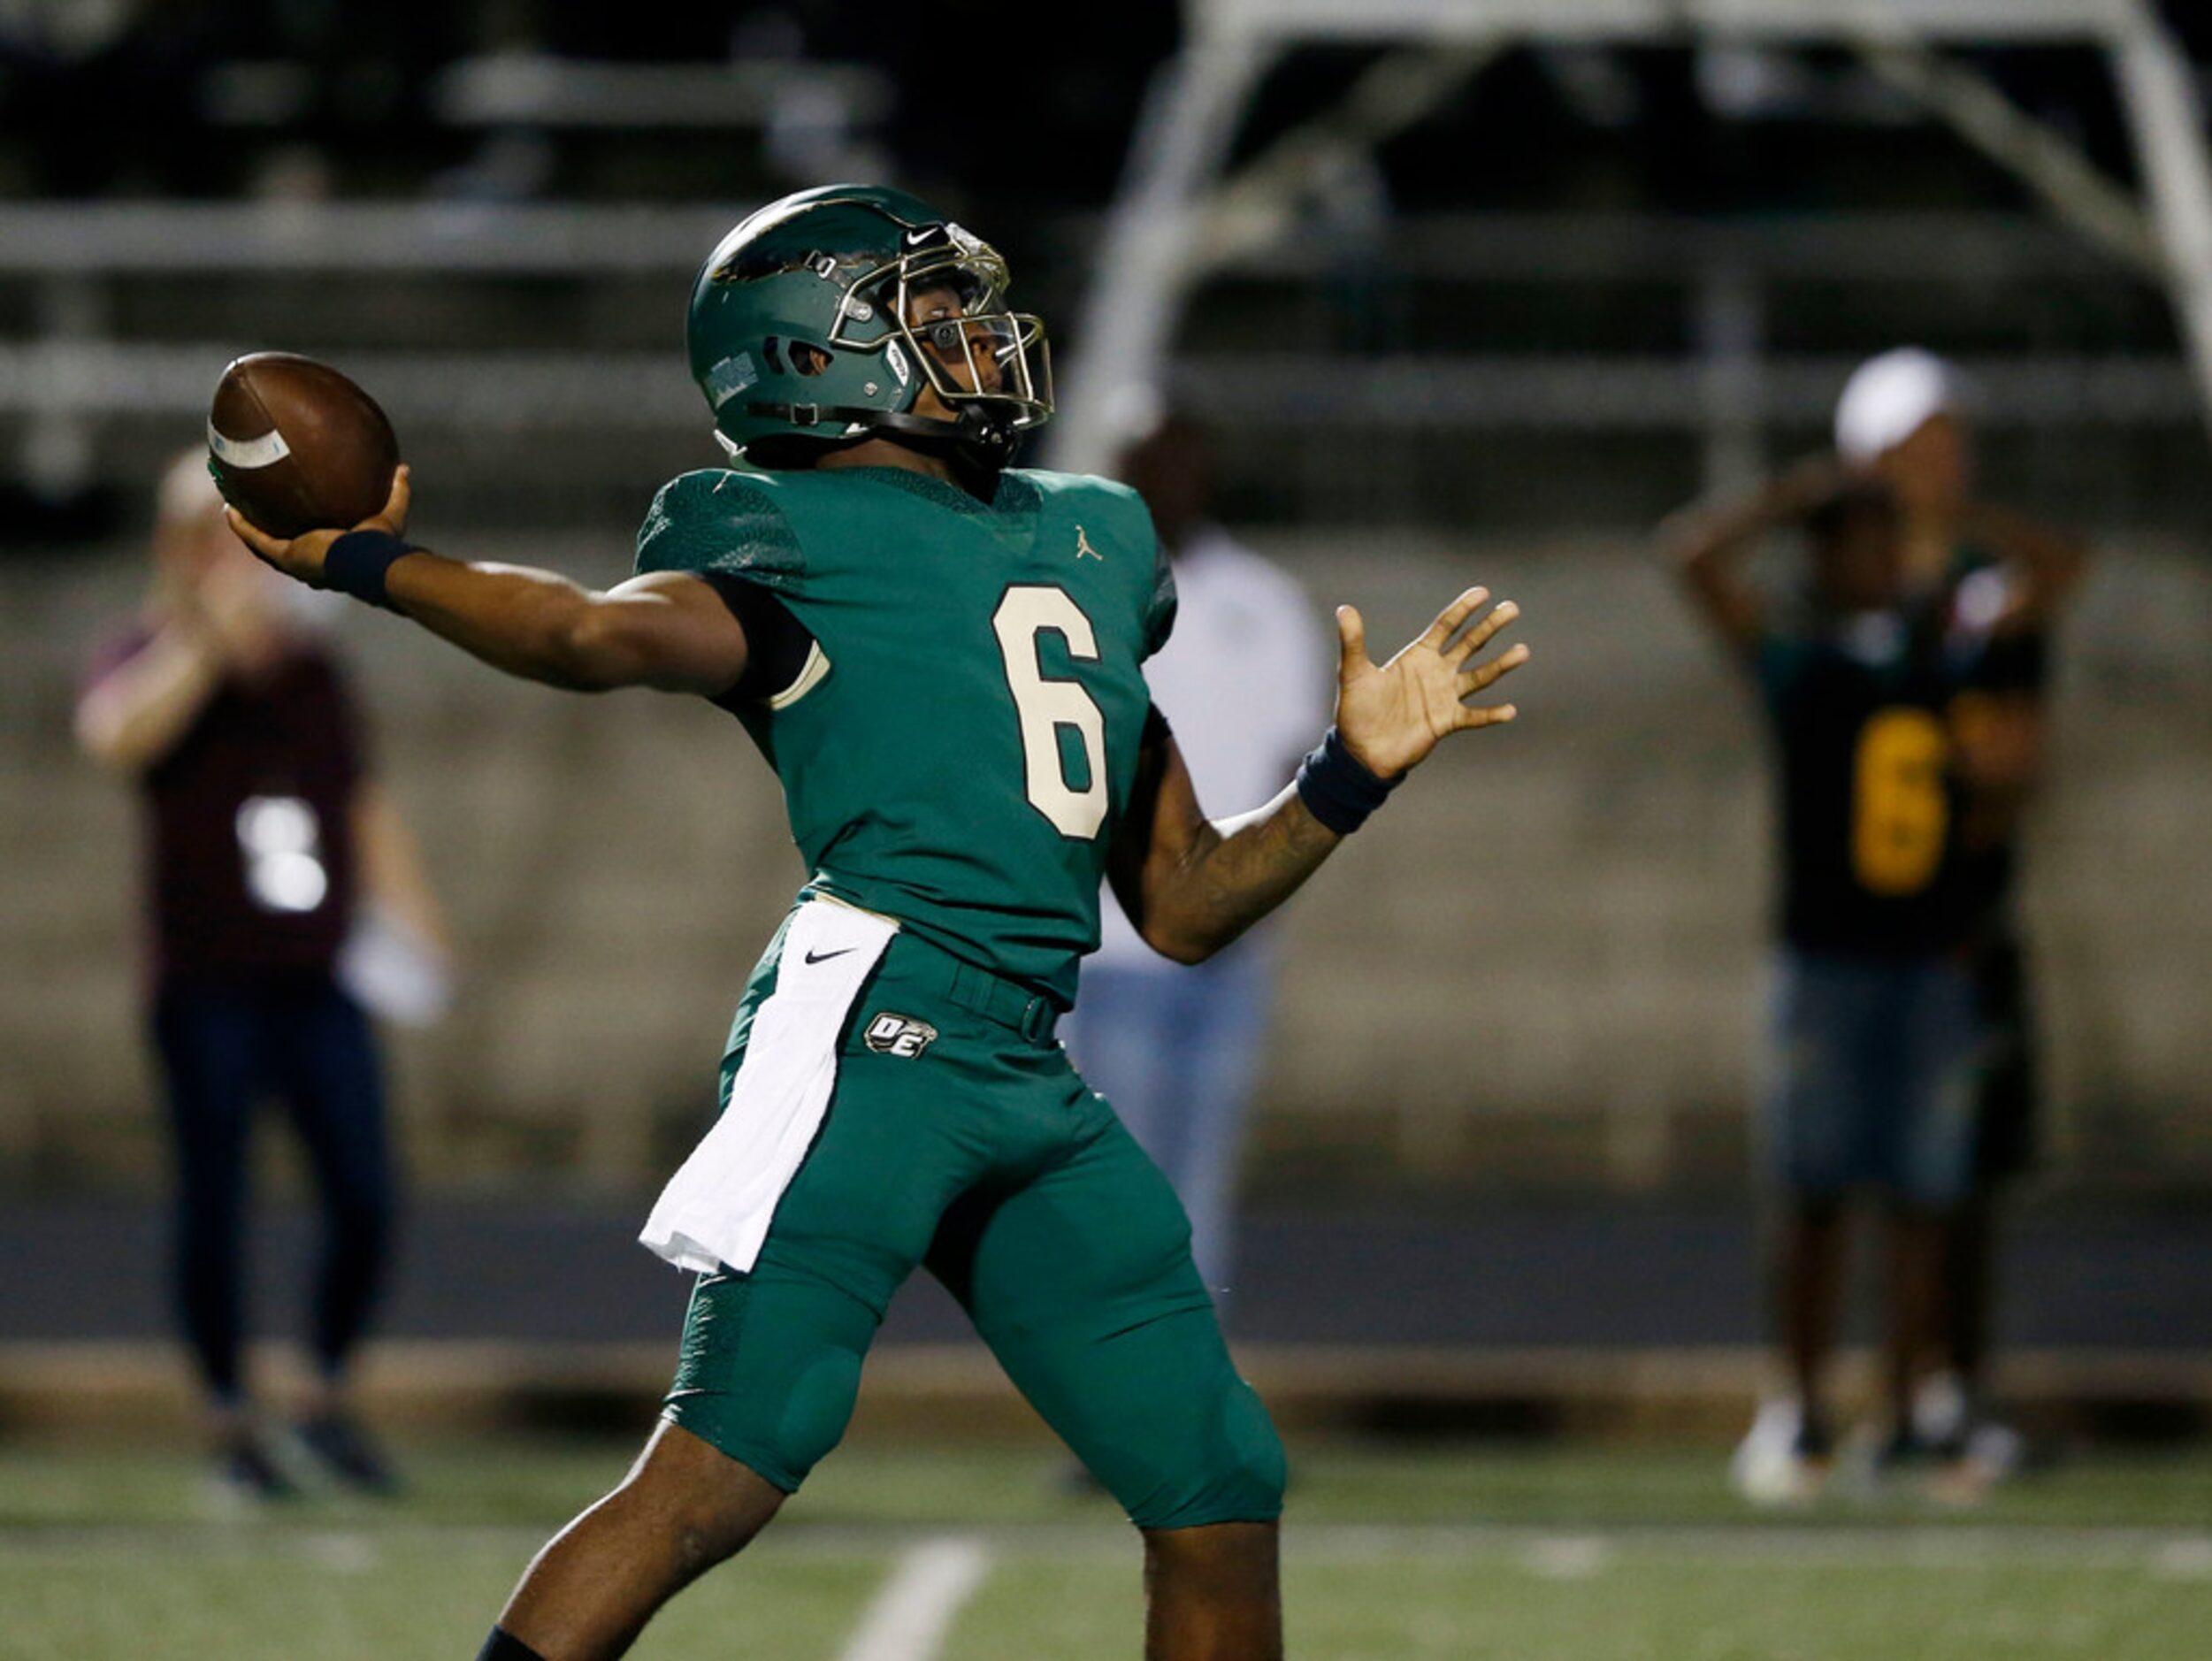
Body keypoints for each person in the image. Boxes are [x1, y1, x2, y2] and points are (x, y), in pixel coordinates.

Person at [222, 184, 1530, 1661]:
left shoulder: (1092, 537)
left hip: (1024, 1062)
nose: (976, 332)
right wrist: (364, 562)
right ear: (805, 358)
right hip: (871, 1037)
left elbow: (1177, 901)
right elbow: (592, 632)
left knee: (1218, 1474)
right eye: (924, 310)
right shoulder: (779, 530)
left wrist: (1343, 778)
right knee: (719, 1467)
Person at [1662, 459, 2070, 1505]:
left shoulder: (1946, 644)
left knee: (1924, 1201)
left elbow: (2060, 566)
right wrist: (1787, 496)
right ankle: (1795, 1412)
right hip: (1823, 961)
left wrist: (1946, 503)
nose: (1883, 558)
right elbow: (1691, 559)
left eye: (1894, 539)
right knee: (1812, 1195)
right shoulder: (1801, 660)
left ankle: (1903, 1414)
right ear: (1825, 554)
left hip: (1932, 962)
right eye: (1861, 540)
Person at [75, 452, 449, 1501]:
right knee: (215, 1200)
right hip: (206, 982)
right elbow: (116, 736)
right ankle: (228, 1422)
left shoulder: (312, 676)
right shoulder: (148, 655)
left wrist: (415, 918)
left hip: (316, 973)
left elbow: (361, 802)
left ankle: (323, 1396)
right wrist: (202, 633)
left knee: (366, 1193)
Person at [1833, 349, 2087, 1476]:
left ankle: (1951, 1394)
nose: (1935, 465)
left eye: (1947, 443)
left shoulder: (1987, 588)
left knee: (1961, 1177)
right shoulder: (1837, 587)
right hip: (1848, 923)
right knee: (1843, 1180)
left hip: (1959, 923)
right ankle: (1868, 1396)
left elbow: (2010, 752)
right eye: (1910, 447)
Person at [1067, 409, 1328, 1307]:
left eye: (1174, 459)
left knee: (1198, 1192)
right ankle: (1117, 1412)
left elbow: (1301, 765)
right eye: (1140, 461)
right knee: (1116, 1191)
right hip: (1107, 948)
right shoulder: (1073, 594)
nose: (1159, 481)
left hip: (1224, 947)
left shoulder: (1262, 601)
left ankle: (1173, 1419)